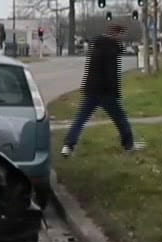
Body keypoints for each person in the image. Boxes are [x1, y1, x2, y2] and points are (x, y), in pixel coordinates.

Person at [61, 22, 143, 157]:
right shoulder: (111, 49)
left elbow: (90, 70)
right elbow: (112, 74)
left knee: (80, 119)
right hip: (106, 92)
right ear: (117, 34)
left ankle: (68, 146)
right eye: (121, 35)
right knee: (120, 119)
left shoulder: (96, 47)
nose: (122, 38)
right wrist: (115, 92)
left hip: (91, 90)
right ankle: (129, 145)